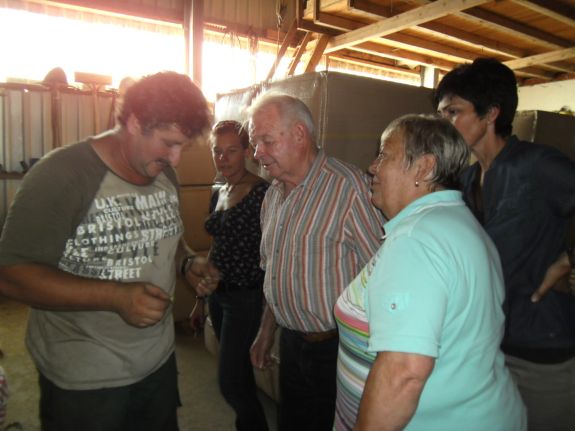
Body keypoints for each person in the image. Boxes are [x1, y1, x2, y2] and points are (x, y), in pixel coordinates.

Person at [0, 71, 218, 431]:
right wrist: (115, 297)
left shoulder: (163, 174)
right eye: (168, 143)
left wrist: (186, 263)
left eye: (183, 146)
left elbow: (168, 239)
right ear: (134, 122)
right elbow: (11, 275)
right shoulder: (62, 174)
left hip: (157, 364)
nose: (176, 159)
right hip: (84, 378)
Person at [334, 114, 527, 430]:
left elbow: (404, 373)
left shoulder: (416, 239)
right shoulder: (457, 221)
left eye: (384, 155)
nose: (372, 167)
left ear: (423, 168)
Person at [435, 57, 575, 431]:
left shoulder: (537, 165)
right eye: (441, 113)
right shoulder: (466, 180)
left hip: (542, 349)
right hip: (488, 349)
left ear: (491, 113)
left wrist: (567, 260)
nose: (444, 123)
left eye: (453, 112)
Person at [247, 92, 384, 431]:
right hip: (291, 343)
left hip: (339, 349)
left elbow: (384, 276)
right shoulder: (273, 195)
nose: (257, 153)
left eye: (266, 141)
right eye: (254, 143)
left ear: (299, 134)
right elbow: (273, 274)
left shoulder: (349, 188)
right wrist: (266, 330)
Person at [190, 120, 270, 430]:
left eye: (232, 151)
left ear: (247, 152)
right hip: (218, 296)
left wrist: (269, 316)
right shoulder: (219, 190)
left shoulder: (262, 193)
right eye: (217, 151)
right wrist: (200, 299)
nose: (223, 159)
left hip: (245, 297)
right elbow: (217, 246)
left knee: (230, 381)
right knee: (239, 376)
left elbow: (274, 254)